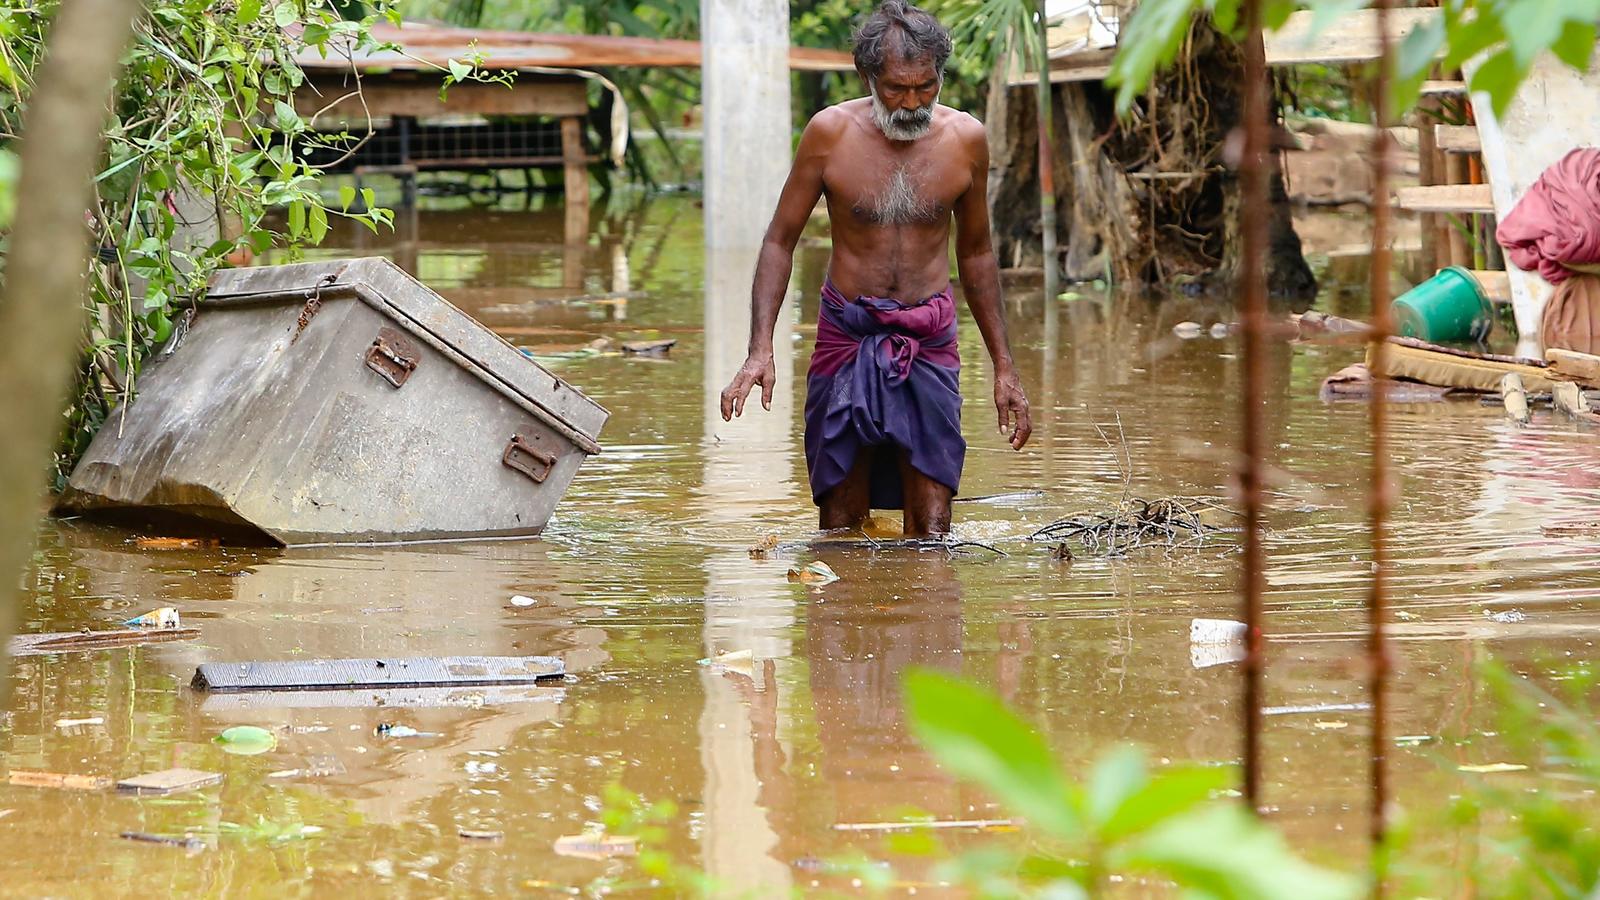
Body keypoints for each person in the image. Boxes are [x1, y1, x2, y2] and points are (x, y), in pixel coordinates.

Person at [718, 0, 1031, 537]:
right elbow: (779, 241)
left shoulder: (966, 140)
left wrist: (1004, 366)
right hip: (847, 334)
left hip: (928, 336)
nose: (912, 102)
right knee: (839, 521)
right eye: (896, 89)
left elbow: (976, 253)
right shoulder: (829, 134)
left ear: (940, 76)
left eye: (926, 87)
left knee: (933, 526)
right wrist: (759, 348)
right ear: (867, 76)